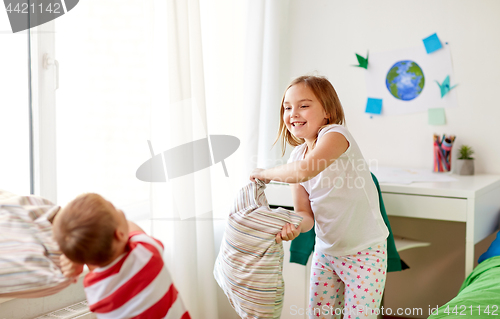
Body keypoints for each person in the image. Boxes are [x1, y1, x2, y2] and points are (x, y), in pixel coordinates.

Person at [250, 75, 389, 319]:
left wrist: (265, 173)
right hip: (326, 253)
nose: (293, 113)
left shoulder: (336, 135)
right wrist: (294, 226)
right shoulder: (296, 156)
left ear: (327, 111)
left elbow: (304, 171)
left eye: (303, 105)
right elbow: (306, 215)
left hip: (364, 253)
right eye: (287, 107)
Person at [52, 193, 190, 319]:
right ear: (120, 234)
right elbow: (132, 229)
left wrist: (77, 257)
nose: (119, 210)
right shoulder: (147, 253)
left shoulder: (96, 291)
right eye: (113, 208)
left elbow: (95, 261)